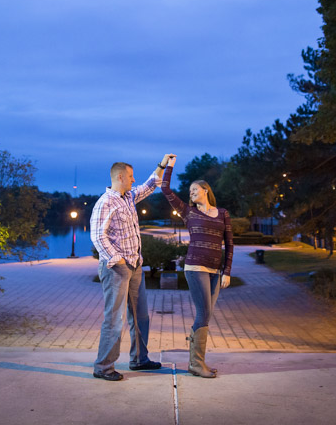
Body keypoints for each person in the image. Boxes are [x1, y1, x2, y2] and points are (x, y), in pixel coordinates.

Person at [90, 155, 175, 381]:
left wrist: (162, 165)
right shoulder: (105, 202)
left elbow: (149, 186)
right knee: (114, 318)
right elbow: (98, 236)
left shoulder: (127, 197)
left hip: (135, 265)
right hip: (117, 268)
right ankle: (103, 367)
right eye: (130, 176)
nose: (133, 179)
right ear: (120, 177)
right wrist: (117, 259)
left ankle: (139, 359)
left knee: (140, 316)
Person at [160, 155, 233, 378]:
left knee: (206, 315)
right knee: (204, 312)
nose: (191, 192)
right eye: (190, 190)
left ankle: (196, 362)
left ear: (205, 190)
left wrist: (227, 271)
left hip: (215, 271)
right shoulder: (188, 212)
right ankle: (196, 363)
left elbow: (229, 244)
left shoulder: (222, 214)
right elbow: (165, 189)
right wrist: (169, 166)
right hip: (195, 267)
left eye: (194, 189)